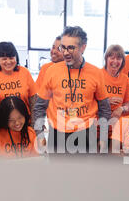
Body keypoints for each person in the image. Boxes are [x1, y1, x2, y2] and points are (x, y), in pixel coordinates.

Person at [33, 26, 111, 154]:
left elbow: (105, 108)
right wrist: (40, 134)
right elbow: (40, 106)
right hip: (58, 133)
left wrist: (102, 137)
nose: (65, 52)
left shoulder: (96, 73)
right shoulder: (52, 71)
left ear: (83, 47)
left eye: (71, 48)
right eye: (62, 47)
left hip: (86, 133)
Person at [0, 42, 38, 117]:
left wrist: (35, 125)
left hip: (24, 122)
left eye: (11, 58)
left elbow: (34, 103)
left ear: (16, 58)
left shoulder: (24, 72)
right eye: (4, 59)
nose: (8, 62)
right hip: (1, 124)